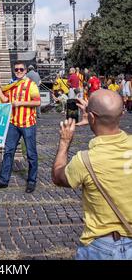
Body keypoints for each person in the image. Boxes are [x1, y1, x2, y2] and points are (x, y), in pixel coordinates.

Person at [52, 90, 132, 260]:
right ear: (122, 115)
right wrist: (94, 112)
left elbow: (58, 176)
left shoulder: (85, 160)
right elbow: (106, 115)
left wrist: (65, 142)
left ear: (92, 118)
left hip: (100, 247)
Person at [0, 62, 41, 193]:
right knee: (8, 151)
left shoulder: (31, 85)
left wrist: (21, 103)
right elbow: (4, 100)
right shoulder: (12, 85)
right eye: (16, 69)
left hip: (28, 123)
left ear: (25, 71)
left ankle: (31, 181)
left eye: (21, 69)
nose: (18, 71)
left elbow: (37, 101)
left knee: (31, 153)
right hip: (13, 123)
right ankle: (3, 180)